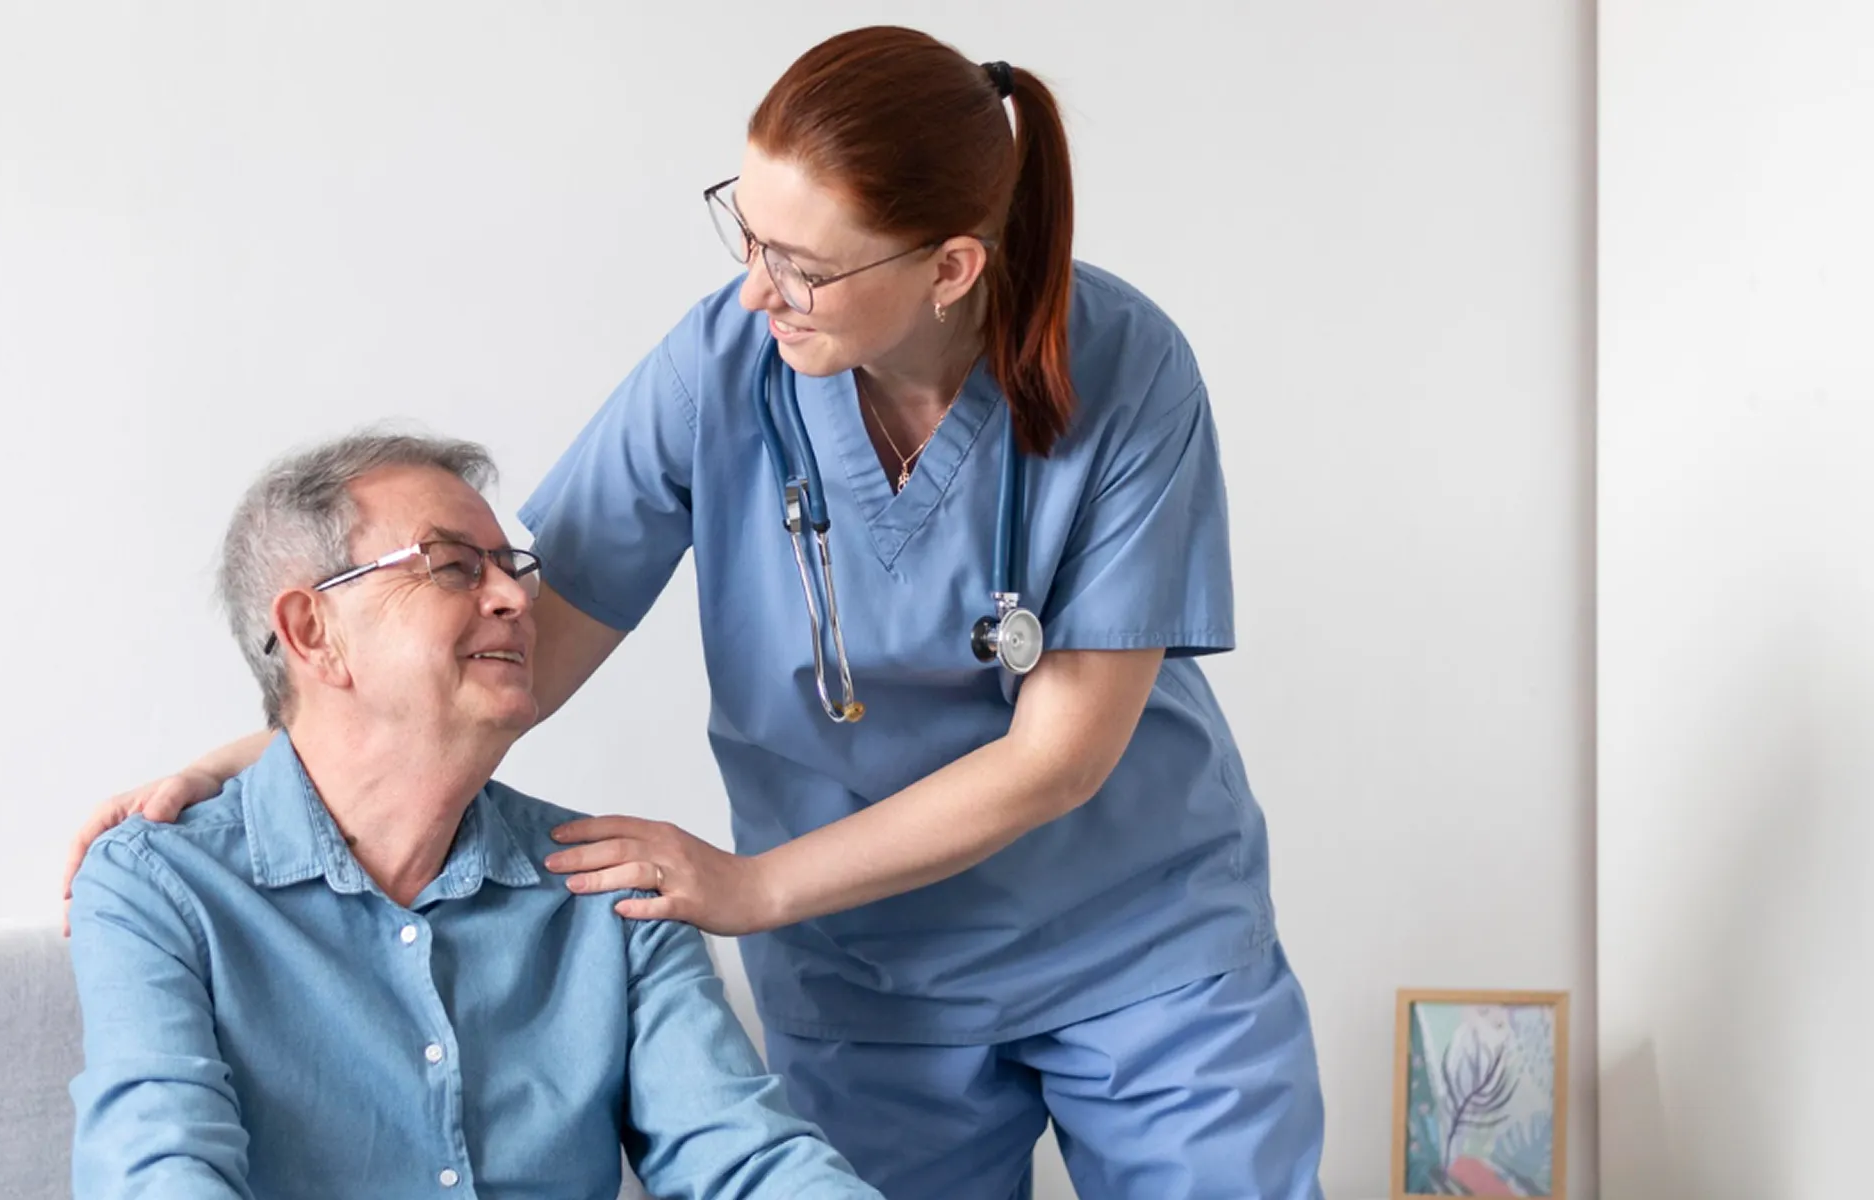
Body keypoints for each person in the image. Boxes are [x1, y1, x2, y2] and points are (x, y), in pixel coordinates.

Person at [70, 26, 1325, 1200]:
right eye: (746, 232)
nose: (755, 288)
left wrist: (749, 888)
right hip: (866, 974)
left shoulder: (1124, 369)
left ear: (949, 268)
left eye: (805, 266)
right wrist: (247, 765)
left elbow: (1059, 757)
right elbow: (513, 633)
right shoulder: (721, 366)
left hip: (1135, 948)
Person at [66, 432, 882, 1200]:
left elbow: (745, 1157)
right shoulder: (161, 886)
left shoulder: (610, 889)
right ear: (313, 634)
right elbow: (161, 1168)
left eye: (509, 568)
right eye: (452, 567)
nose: (516, 600)